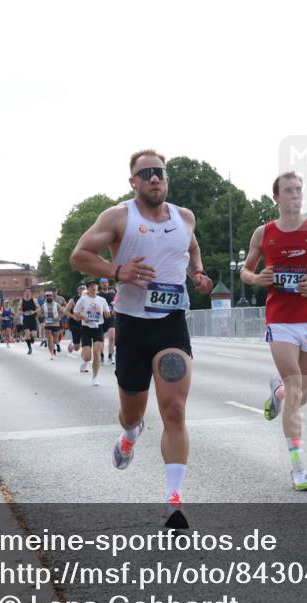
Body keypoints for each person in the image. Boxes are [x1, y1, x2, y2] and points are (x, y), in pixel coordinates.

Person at [71, 148, 213, 529]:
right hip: (133, 325)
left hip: (171, 324)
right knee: (132, 412)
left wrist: (198, 273)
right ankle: (130, 435)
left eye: (160, 173)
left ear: (167, 180)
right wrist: (118, 271)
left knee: (175, 410)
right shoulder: (119, 216)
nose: (154, 179)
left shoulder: (184, 217)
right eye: (146, 173)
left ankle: (174, 502)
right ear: (133, 181)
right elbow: (80, 255)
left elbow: (192, 246)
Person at [241, 171, 307, 492]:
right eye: (288, 191)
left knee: (302, 395)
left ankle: (278, 391)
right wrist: (257, 279)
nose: (295, 195)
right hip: (280, 319)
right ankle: (298, 467)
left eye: (299, 190)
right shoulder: (264, 233)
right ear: (277, 197)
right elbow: (245, 270)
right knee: (296, 389)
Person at [97, 278, 117, 364]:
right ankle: (101, 355)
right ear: (100, 285)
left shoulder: (113, 294)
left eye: (106, 282)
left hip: (111, 318)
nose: (105, 284)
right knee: (101, 339)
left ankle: (110, 356)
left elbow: (117, 304)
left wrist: (115, 311)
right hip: (101, 318)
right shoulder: (98, 295)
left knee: (112, 337)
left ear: (108, 284)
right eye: (103, 283)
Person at [40, 291, 63, 360]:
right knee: (49, 340)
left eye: (50, 296)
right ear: (45, 297)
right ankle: (51, 354)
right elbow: (39, 313)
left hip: (56, 324)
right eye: (47, 296)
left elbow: (62, 312)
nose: (49, 297)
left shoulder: (56, 304)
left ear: (52, 297)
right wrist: (43, 316)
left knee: (55, 339)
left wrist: (59, 317)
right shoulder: (43, 305)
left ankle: (57, 344)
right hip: (47, 324)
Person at [64, 285, 86, 354]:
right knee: (77, 348)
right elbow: (65, 311)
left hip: (85, 323)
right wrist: (73, 316)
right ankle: (73, 343)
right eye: (81, 289)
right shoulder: (73, 300)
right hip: (75, 323)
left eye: (84, 288)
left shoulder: (89, 299)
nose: (83, 290)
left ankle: (86, 356)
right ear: (78, 290)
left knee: (85, 341)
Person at [20, 288, 38, 353]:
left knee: (34, 335)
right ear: (24, 293)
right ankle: (30, 349)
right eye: (26, 292)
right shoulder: (22, 301)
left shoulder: (34, 300)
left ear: (30, 293)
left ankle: (31, 337)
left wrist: (34, 311)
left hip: (33, 319)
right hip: (26, 320)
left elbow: (39, 308)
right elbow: (19, 310)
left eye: (29, 292)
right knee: (27, 334)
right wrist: (22, 312)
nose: (27, 293)